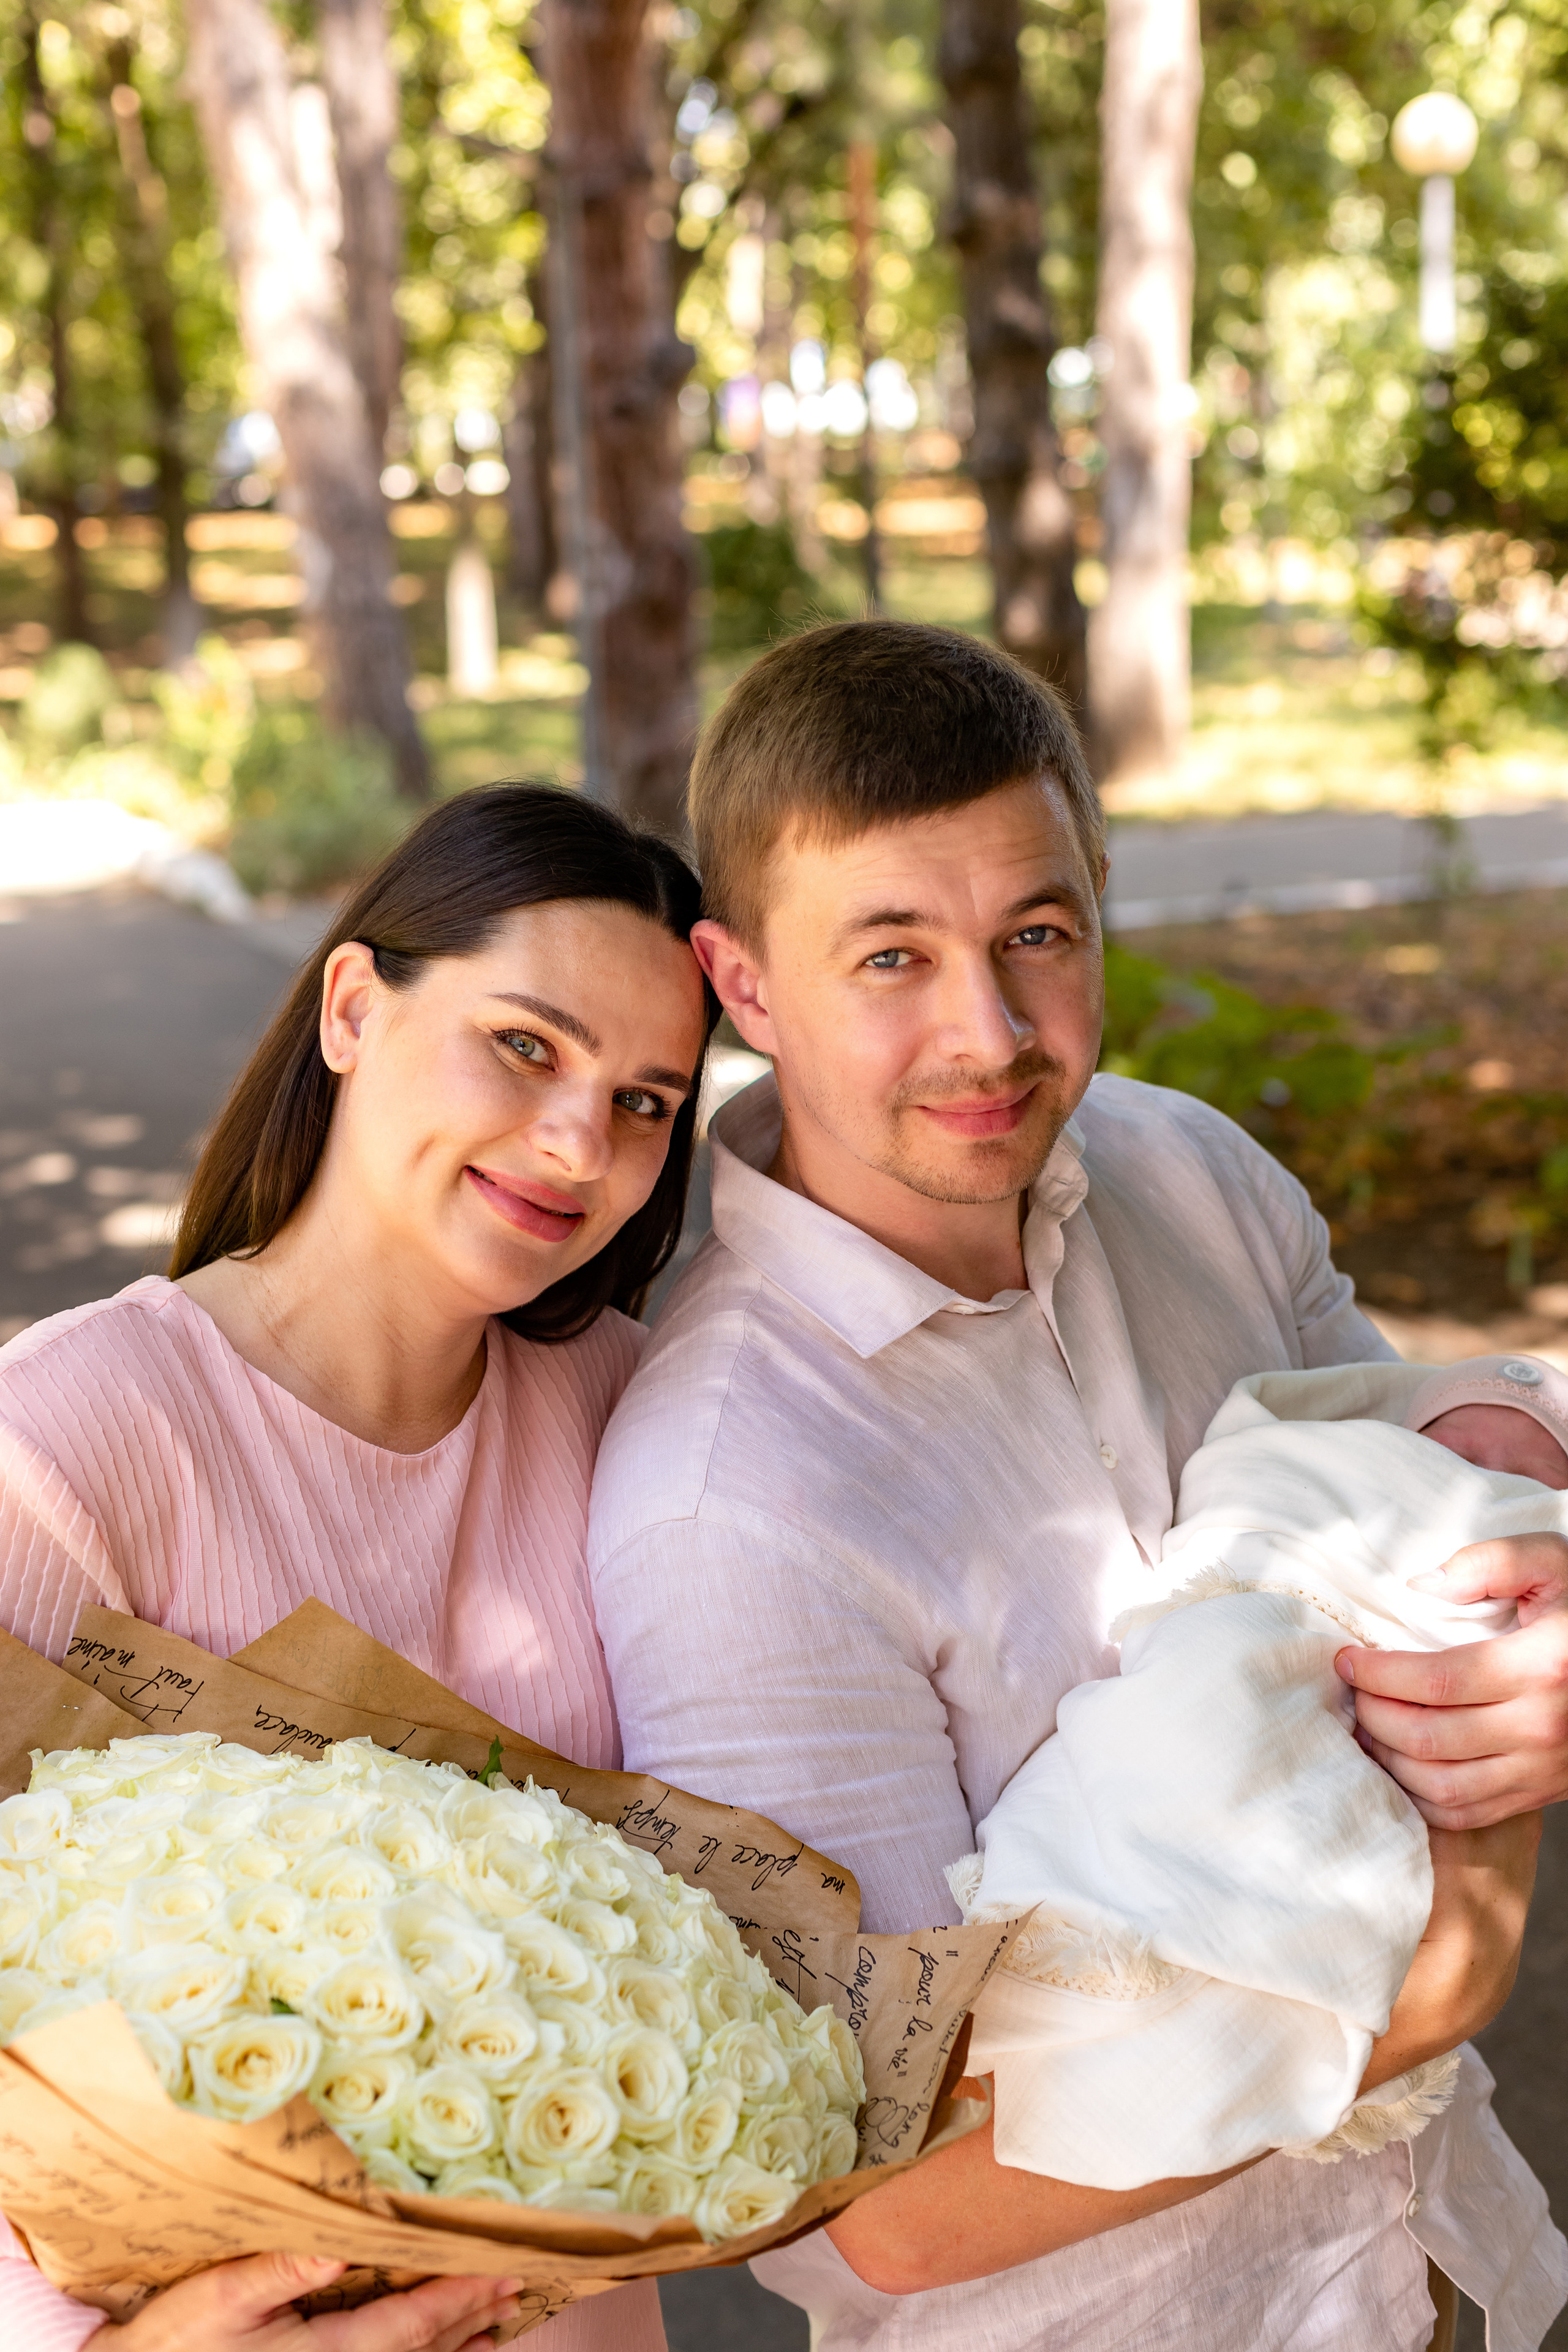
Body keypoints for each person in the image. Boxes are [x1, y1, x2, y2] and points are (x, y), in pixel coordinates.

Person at [587, 621, 1568, 2352]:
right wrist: (1451, 1957)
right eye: (890, 957)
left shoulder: (1192, 1172)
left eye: (1035, 935)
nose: (988, 1034)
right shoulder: (724, 1505)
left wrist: (1531, 1649)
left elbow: (1439, 1503)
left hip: (1423, 2263)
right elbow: (885, 2208)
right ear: (743, 987)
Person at [0, 785, 714, 2352]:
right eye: (522, 1045)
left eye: (646, 1100)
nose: (577, 1143)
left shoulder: (639, 1409)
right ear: (349, 1008)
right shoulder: (69, 1439)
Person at [959, 1353, 1568, 2191]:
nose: (1477, 1475)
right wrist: (1454, 1981)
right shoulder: (1334, 1454)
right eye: (1451, 1451)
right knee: (1196, 1718)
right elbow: (1270, 1476)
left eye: (1528, 1481)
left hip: (1433, 2228)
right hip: (1241, 1635)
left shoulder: (1261, 1262)